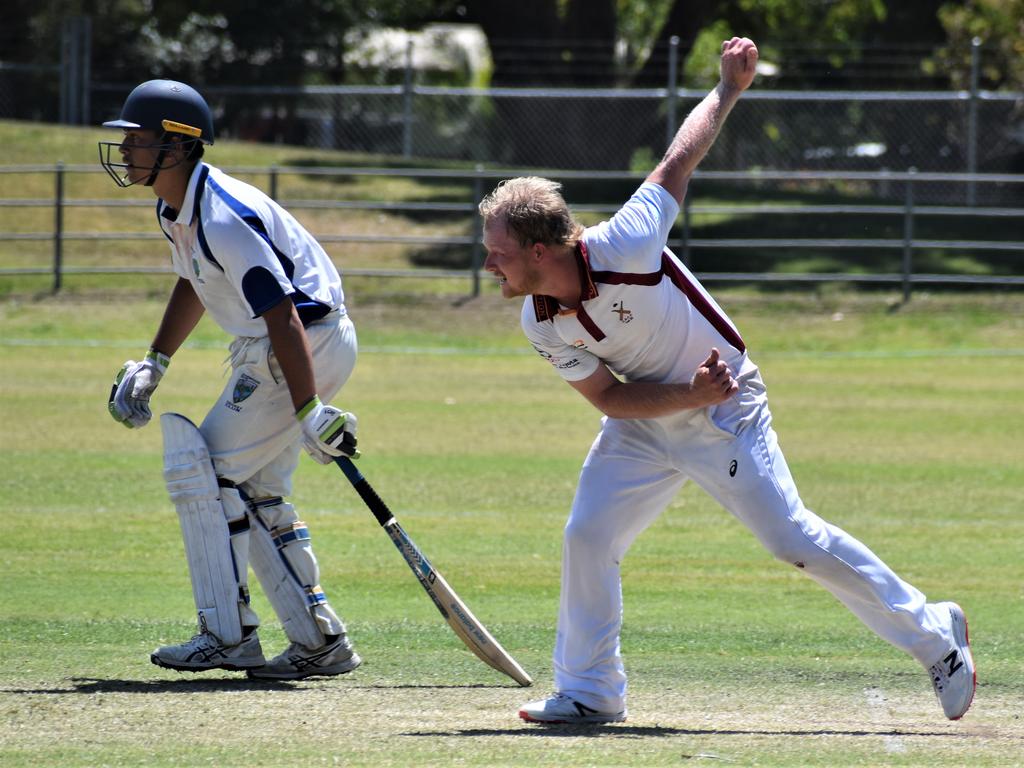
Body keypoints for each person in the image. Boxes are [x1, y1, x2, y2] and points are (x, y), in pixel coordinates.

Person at [479, 37, 975, 724]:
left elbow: (677, 161)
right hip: (649, 417)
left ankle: (936, 636)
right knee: (588, 535)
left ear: (540, 251)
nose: (489, 268)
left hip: (727, 407)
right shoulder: (539, 320)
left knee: (791, 541)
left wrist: (729, 89)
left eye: (498, 255)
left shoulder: (626, 242)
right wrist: (685, 394)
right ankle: (591, 691)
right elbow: (610, 399)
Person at [100, 79, 362, 680]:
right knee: (254, 492)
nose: (125, 151)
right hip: (282, 344)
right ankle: (319, 641)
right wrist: (155, 362)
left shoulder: (224, 215)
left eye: (137, 140)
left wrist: (310, 409)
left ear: (178, 145)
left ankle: (226, 634)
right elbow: (194, 280)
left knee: (205, 471)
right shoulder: (176, 207)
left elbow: (282, 311)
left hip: (300, 341)